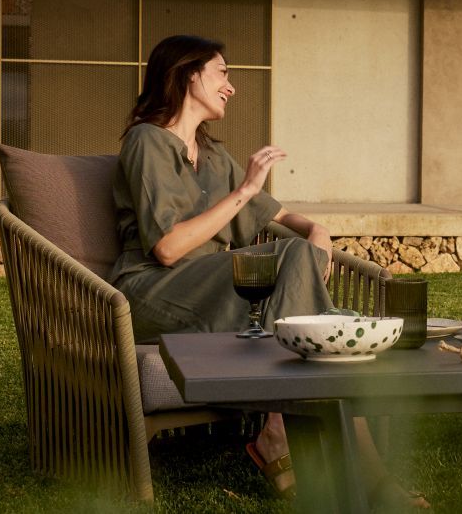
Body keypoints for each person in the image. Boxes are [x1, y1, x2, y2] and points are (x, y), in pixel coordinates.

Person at [111, 34, 425, 507]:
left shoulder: (213, 156)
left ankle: (286, 433)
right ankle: (337, 460)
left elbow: (279, 216)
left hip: (218, 295)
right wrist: (244, 191)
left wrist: (316, 230)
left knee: (321, 309)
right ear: (189, 75)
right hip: (151, 293)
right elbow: (168, 248)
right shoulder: (146, 141)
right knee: (315, 304)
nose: (231, 86)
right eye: (222, 73)